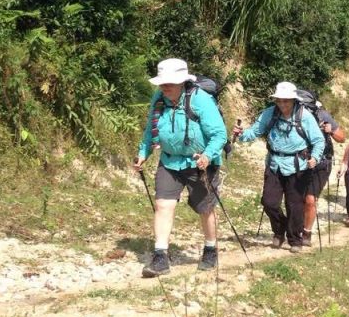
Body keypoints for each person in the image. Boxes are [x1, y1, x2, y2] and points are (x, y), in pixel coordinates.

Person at [134, 58, 227, 276]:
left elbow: (219, 134)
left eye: (170, 83)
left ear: (182, 82)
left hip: (200, 163)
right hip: (169, 162)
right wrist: (142, 154)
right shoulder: (159, 99)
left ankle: (211, 249)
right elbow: (151, 130)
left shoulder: (201, 100)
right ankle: (160, 258)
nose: (164, 87)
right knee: (163, 205)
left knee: (205, 208)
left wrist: (207, 155)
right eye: (162, 83)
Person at [233, 82, 325, 252]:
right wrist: (241, 134)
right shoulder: (270, 113)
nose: (282, 104)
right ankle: (279, 228)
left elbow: (319, 140)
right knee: (269, 202)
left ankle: (295, 240)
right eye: (279, 101)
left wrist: (315, 157)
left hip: (298, 166)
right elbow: (255, 131)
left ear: (293, 100)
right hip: (274, 164)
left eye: (286, 101)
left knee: (295, 205)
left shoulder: (304, 116)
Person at [302, 99, 345, 246]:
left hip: (322, 163)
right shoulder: (294, 116)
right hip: (300, 162)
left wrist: (331, 130)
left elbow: (342, 137)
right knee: (298, 198)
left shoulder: (324, 116)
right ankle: (296, 227)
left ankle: (306, 232)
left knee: (310, 199)